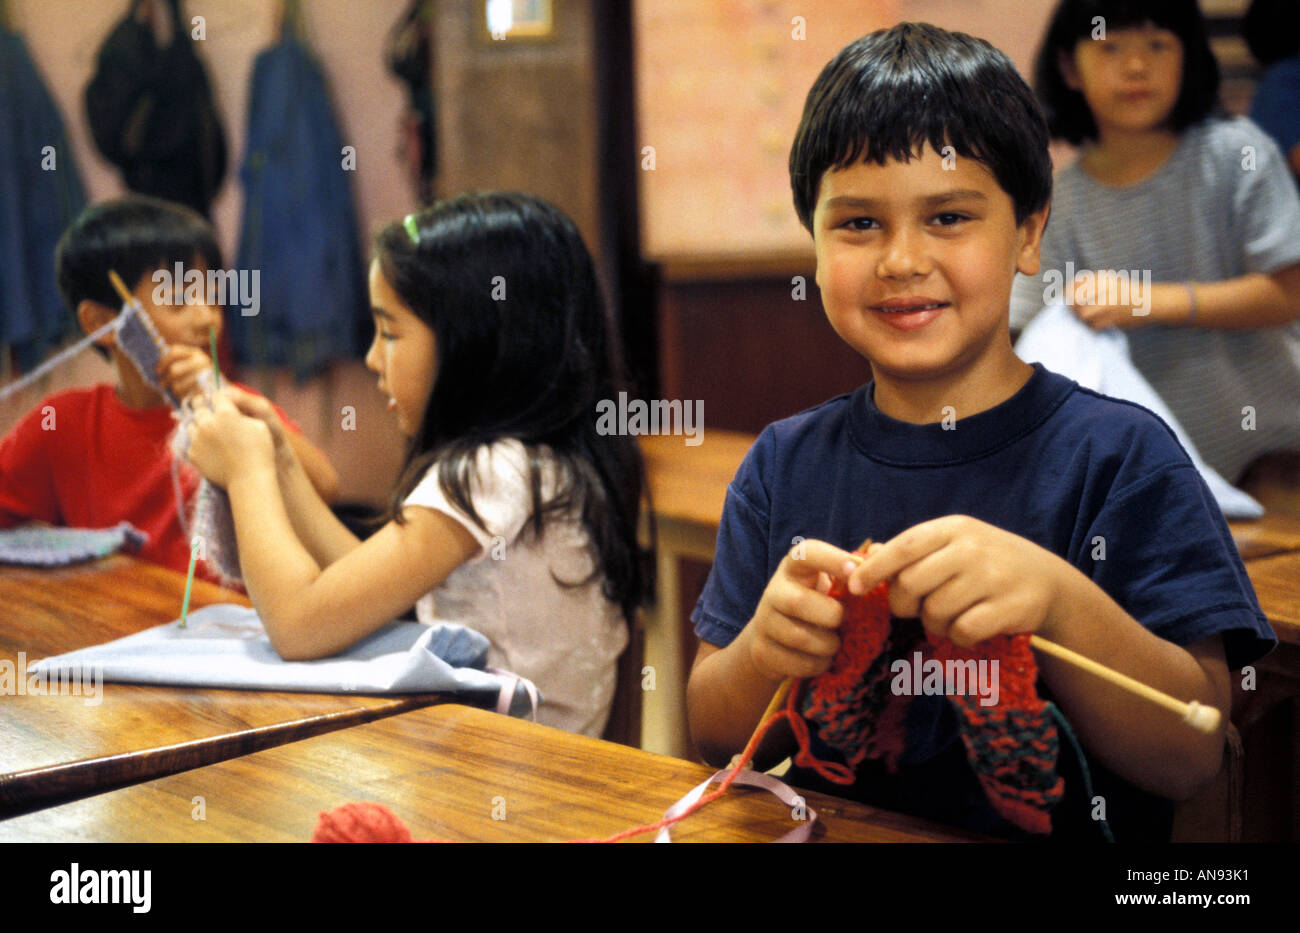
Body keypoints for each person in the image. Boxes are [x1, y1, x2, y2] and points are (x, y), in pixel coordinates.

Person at [686, 22, 1274, 841]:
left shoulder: (1121, 460)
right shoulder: (783, 464)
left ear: (1029, 233)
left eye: (949, 216)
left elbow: (1195, 745)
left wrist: (1062, 605)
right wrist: (766, 651)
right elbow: (714, 731)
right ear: (815, 248)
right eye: (858, 224)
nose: (900, 259)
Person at [184, 192, 650, 737]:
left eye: (391, 332)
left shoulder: (493, 472)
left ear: (474, 341)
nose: (372, 359)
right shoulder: (538, 460)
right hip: (511, 774)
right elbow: (364, 596)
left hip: (496, 793)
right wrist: (281, 458)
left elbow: (298, 624)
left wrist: (247, 471)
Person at [1010, 0, 1300, 492]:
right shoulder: (1062, 202)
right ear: (1068, 67)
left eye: (1159, 45)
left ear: (1188, 57)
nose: (1137, 65)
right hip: (1158, 476)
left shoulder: (1237, 155)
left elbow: (1289, 291)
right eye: (1110, 46)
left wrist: (1149, 302)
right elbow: (1028, 334)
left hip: (1277, 453)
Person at [0, 196, 337, 584]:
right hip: (116, 630)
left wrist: (224, 397)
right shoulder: (62, 423)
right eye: (178, 300)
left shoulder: (235, 408)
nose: (207, 317)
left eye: (213, 297)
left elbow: (324, 490)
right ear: (103, 323)